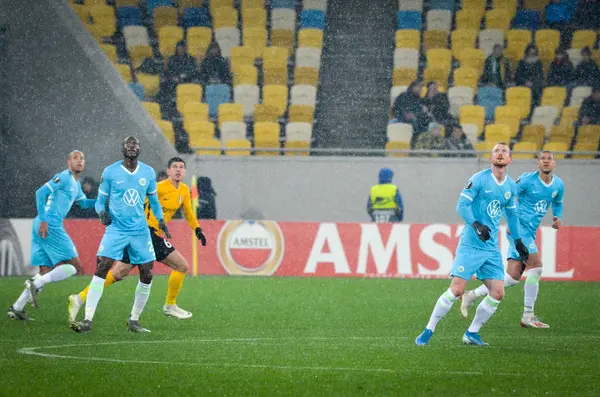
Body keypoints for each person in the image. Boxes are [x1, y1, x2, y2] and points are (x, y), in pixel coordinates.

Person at [415, 142, 529, 346]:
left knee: (498, 292)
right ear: (491, 157)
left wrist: (518, 241)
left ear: (510, 159)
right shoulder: (479, 179)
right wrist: (476, 225)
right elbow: (462, 205)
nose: (500, 154)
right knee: (457, 289)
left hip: (491, 248)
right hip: (470, 245)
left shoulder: (511, 186)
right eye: (496, 151)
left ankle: (471, 333)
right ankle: (429, 329)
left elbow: (512, 215)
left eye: (504, 151)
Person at [69, 157, 207, 322]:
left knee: (119, 272)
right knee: (181, 266)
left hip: (150, 235)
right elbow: (138, 202)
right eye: (174, 167)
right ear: (168, 171)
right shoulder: (159, 188)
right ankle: (169, 306)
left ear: (184, 171)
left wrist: (197, 229)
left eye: (181, 167)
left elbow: (189, 213)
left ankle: (79, 298)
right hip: (145, 232)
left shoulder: (184, 190)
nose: (178, 170)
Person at [70, 137, 170, 333]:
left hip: (140, 230)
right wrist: (101, 213)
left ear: (139, 149)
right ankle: (87, 320)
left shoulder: (148, 172)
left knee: (147, 272)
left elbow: (154, 201)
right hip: (116, 228)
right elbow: (100, 202)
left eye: (135, 146)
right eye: (128, 145)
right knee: (102, 266)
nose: (132, 148)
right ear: (122, 149)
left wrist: (161, 221)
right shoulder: (110, 172)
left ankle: (134, 321)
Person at [461, 151, 564, 328]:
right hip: (519, 230)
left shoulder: (558, 185)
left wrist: (556, 216)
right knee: (536, 267)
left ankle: (472, 295)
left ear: (554, 163)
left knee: (513, 276)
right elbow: (508, 193)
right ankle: (528, 315)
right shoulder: (526, 180)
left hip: (530, 231)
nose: (546, 162)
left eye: (549, 159)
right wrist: (510, 220)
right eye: (543, 159)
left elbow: (558, 202)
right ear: (537, 163)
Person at [7, 151, 95, 321]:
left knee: (45, 270)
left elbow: (83, 203)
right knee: (75, 266)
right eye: (75, 158)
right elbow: (40, 193)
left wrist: (103, 201)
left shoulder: (76, 184)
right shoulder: (63, 177)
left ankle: (17, 308)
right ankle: (35, 284)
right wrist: (45, 220)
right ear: (68, 161)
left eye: (82, 158)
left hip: (40, 223)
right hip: (50, 225)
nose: (79, 161)